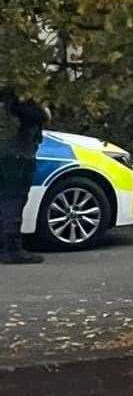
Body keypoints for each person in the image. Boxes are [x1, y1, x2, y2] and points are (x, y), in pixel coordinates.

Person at [1, 88, 51, 266]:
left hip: (10, 153)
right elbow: (41, 116)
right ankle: (11, 250)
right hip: (16, 156)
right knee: (13, 201)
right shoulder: (18, 99)